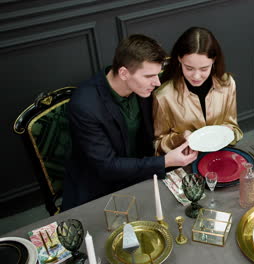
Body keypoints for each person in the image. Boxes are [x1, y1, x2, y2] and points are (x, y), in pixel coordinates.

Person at [62, 34, 198, 210]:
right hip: (102, 188)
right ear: (124, 73)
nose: (157, 83)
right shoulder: (84, 106)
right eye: (149, 76)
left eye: (157, 74)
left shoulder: (142, 87)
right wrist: (164, 162)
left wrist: (182, 136)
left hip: (144, 174)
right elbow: (107, 166)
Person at [152, 27, 243, 155]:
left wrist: (229, 131)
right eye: (189, 68)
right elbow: (158, 145)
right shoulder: (163, 96)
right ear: (179, 59)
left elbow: (234, 128)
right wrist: (181, 138)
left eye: (204, 69)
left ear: (214, 61)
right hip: (185, 162)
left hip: (220, 155)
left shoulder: (227, 84)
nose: (196, 76)